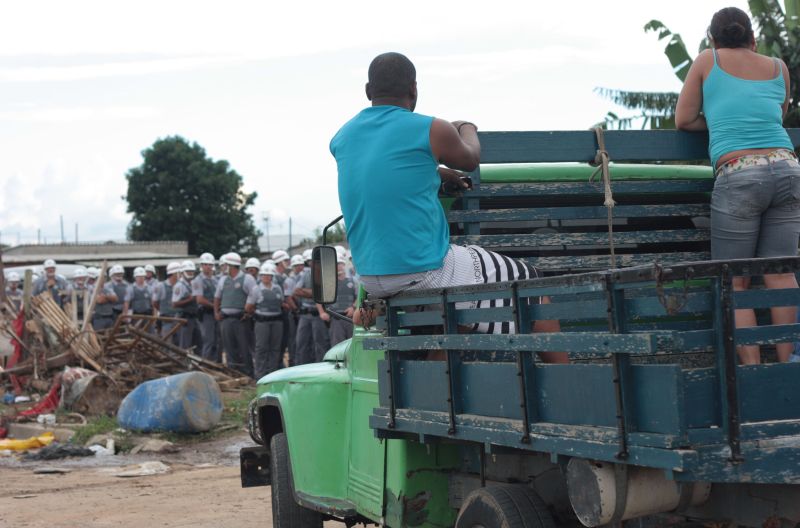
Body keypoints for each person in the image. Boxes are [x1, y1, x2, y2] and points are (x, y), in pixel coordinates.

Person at [330, 52, 565, 363]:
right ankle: (570, 387)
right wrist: (465, 127)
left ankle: (433, 378)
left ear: (367, 91)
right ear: (414, 89)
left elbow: (385, 173)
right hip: (423, 269)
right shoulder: (432, 129)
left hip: (371, 277)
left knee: (464, 304)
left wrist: (438, 174)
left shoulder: (342, 137)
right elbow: (470, 158)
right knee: (531, 287)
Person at [676, 7, 800, 364]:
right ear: (753, 38)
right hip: (788, 168)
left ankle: (753, 372)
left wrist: (718, 122)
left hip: (741, 172)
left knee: (734, 279)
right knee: (780, 274)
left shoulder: (707, 60)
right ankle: (789, 368)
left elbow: (684, 119)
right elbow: (776, 115)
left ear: (712, 38)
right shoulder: (778, 67)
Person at [214, 253, 257, 377]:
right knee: (229, 348)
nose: (223, 268)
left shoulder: (247, 278)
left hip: (241, 319)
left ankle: (248, 373)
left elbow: (254, 294)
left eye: (225, 265)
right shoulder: (223, 280)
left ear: (231, 266)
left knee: (244, 347)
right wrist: (216, 312)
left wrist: (248, 310)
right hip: (225, 319)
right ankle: (233, 373)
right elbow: (217, 297)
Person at [293, 251, 331, 364]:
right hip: (305, 314)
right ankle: (301, 368)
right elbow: (296, 291)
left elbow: (326, 293)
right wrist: (316, 292)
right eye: (310, 261)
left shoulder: (326, 274)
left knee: (321, 344)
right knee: (301, 343)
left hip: (320, 314)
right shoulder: (305, 274)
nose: (312, 263)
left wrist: (308, 292)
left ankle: (321, 368)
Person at [251, 263, 285, 378]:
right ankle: (260, 374)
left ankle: (272, 373)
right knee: (261, 348)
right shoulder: (256, 289)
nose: (266, 277)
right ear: (260, 276)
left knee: (275, 348)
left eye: (268, 275)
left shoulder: (277, 288)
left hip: (277, 321)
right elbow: (249, 306)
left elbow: (281, 302)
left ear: (272, 276)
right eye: (264, 275)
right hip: (262, 322)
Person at [193, 252, 220, 361]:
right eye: (205, 264)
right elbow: (199, 299)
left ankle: (215, 364)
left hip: (215, 313)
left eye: (210, 264)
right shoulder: (198, 280)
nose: (208, 267)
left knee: (217, 341)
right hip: (206, 314)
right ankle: (205, 364)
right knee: (208, 341)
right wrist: (215, 306)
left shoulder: (215, 280)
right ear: (201, 265)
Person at [325, 258, 358, 346]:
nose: (338, 266)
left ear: (343, 265)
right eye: (336, 264)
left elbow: (359, 297)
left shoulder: (353, 280)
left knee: (353, 345)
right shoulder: (328, 282)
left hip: (350, 318)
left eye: (340, 263)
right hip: (336, 319)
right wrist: (323, 312)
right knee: (337, 346)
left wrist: (353, 307)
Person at [173, 260, 200, 350]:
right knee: (185, 345)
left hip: (194, 317)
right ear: (183, 272)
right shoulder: (179, 286)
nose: (190, 273)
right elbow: (174, 304)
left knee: (198, 343)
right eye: (188, 271)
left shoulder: (193, 283)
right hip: (184, 318)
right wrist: (190, 299)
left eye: (192, 271)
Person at [153, 261, 182, 341]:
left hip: (180, 320)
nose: (181, 275)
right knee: (167, 342)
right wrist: (163, 310)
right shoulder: (161, 286)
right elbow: (155, 302)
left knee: (179, 343)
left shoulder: (181, 285)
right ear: (174, 273)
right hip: (167, 320)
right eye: (179, 273)